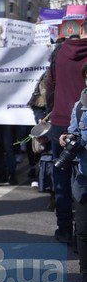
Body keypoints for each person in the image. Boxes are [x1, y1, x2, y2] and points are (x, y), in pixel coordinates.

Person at [46, 21, 87, 244]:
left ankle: (65, 229)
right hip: (84, 122)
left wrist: (50, 112)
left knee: (60, 176)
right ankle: (82, 231)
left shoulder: (59, 52)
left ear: (80, 31)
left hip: (60, 121)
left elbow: (50, 85)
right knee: (84, 177)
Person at [61, 64, 87, 282]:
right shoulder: (79, 107)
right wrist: (67, 139)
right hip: (82, 178)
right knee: (83, 232)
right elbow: (72, 131)